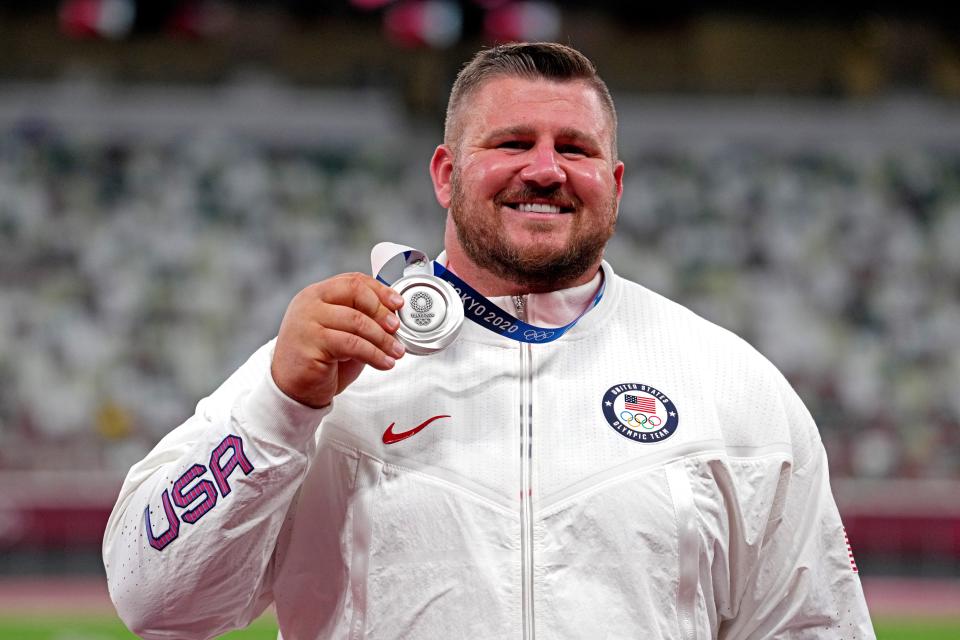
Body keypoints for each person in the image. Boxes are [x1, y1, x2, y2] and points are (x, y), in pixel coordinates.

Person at [103, 42, 875, 639]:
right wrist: (281, 408)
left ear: (616, 181)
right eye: (512, 143)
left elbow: (813, 625)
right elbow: (154, 599)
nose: (545, 169)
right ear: (445, 174)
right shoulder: (331, 361)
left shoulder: (727, 382)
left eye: (574, 149)